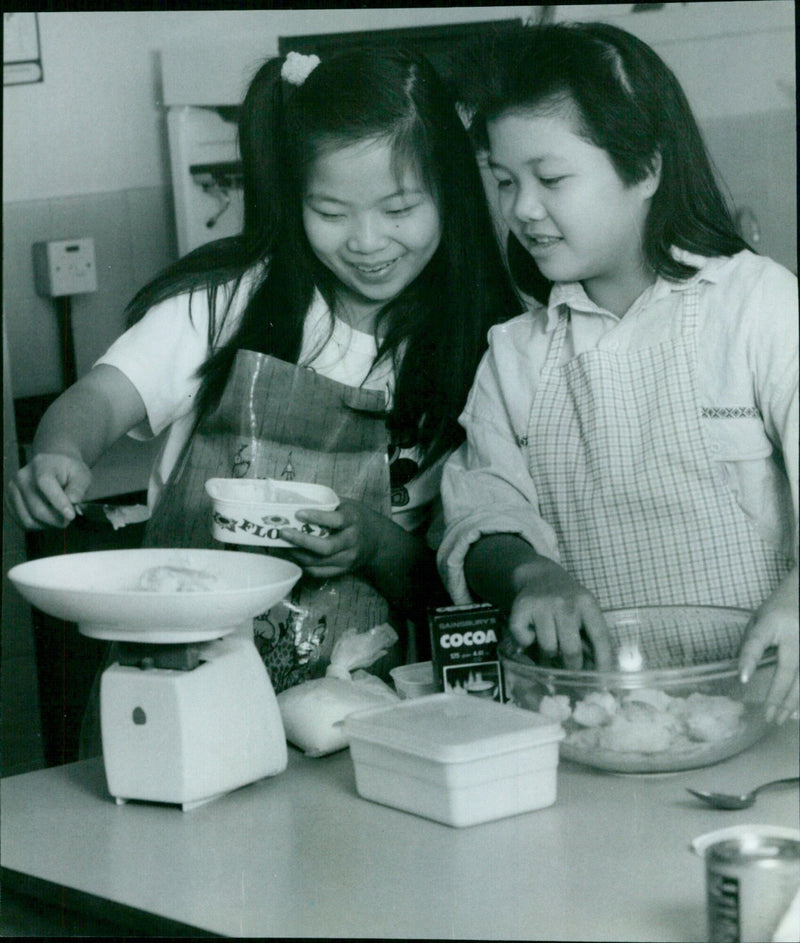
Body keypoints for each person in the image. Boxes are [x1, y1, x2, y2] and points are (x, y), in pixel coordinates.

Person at [8, 47, 519, 694]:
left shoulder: (483, 347)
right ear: (293, 198)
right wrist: (60, 452)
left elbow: (446, 583)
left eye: (398, 211)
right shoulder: (229, 303)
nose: (366, 242)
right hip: (176, 682)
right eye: (331, 213)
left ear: (451, 192)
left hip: (356, 709)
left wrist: (371, 544)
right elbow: (100, 399)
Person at [439, 22, 798, 723]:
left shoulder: (759, 306)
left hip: (778, 715)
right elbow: (482, 510)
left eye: (551, 178)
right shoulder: (516, 355)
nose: (522, 209)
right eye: (505, 181)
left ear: (646, 169)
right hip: (604, 719)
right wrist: (531, 572)